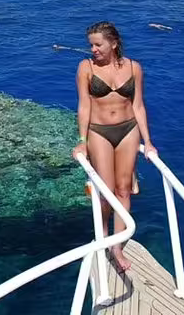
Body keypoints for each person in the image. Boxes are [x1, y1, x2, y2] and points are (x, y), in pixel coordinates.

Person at [72, 21, 157, 271]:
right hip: (99, 132)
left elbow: (138, 105)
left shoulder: (134, 68)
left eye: (98, 45)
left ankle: (117, 247)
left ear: (114, 43)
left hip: (128, 130)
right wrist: (82, 142)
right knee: (106, 192)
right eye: (91, 45)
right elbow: (84, 106)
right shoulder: (85, 68)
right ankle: (103, 237)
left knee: (123, 190)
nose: (93, 50)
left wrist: (148, 142)